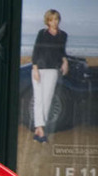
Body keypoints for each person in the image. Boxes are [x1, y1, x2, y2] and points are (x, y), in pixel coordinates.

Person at [31, 9, 68, 143]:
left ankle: (38, 130)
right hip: (39, 69)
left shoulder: (63, 35)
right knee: (38, 99)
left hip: (53, 70)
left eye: (56, 19)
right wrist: (35, 68)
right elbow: (36, 50)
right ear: (47, 21)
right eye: (51, 19)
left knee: (47, 100)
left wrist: (65, 61)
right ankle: (41, 129)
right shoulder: (42, 33)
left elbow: (62, 51)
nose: (54, 22)